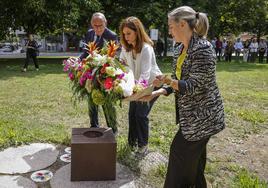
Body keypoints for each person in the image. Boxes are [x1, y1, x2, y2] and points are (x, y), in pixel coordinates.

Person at [140, 6, 225, 187]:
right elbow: (178, 80)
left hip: (203, 118)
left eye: (171, 27)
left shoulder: (203, 49)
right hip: (191, 118)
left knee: (179, 159)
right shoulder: (179, 49)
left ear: (183, 24)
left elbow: (194, 86)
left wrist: (168, 81)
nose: (170, 31)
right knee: (193, 165)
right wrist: (158, 91)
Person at [119, 17, 162, 156]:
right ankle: (132, 144)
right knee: (132, 114)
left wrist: (135, 91)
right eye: (124, 34)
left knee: (141, 115)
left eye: (129, 33)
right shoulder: (125, 48)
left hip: (151, 84)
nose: (126, 37)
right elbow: (122, 68)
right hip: (135, 86)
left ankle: (143, 147)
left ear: (137, 32)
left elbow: (145, 74)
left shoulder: (146, 48)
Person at [79, 12, 118, 133]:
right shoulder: (89, 33)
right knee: (92, 98)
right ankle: (94, 126)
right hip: (90, 72)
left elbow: (111, 56)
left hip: (104, 72)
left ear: (105, 23)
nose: (98, 28)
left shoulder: (111, 35)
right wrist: (78, 60)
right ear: (92, 24)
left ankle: (112, 129)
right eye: (95, 25)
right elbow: (86, 53)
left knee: (106, 101)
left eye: (100, 25)